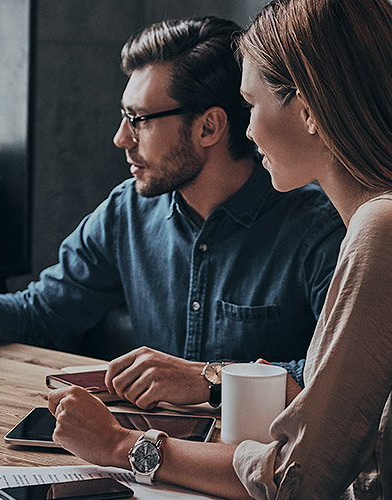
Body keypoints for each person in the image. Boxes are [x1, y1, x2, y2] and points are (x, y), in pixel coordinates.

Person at [0, 16, 345, 409]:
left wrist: (208, 378)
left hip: (263, 471)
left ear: (209, 127)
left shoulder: (321, 229)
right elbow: (41, 315)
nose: (120, 138)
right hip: (144, 459)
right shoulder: (127, 212)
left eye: (139, 121)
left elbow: (338, 381)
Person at [48, 0, 392, 497]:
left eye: (251, 105)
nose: (247, 130)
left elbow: (297, 479)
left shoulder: (377, 230)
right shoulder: (373, 223)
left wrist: (122, 445)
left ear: (310, 109)